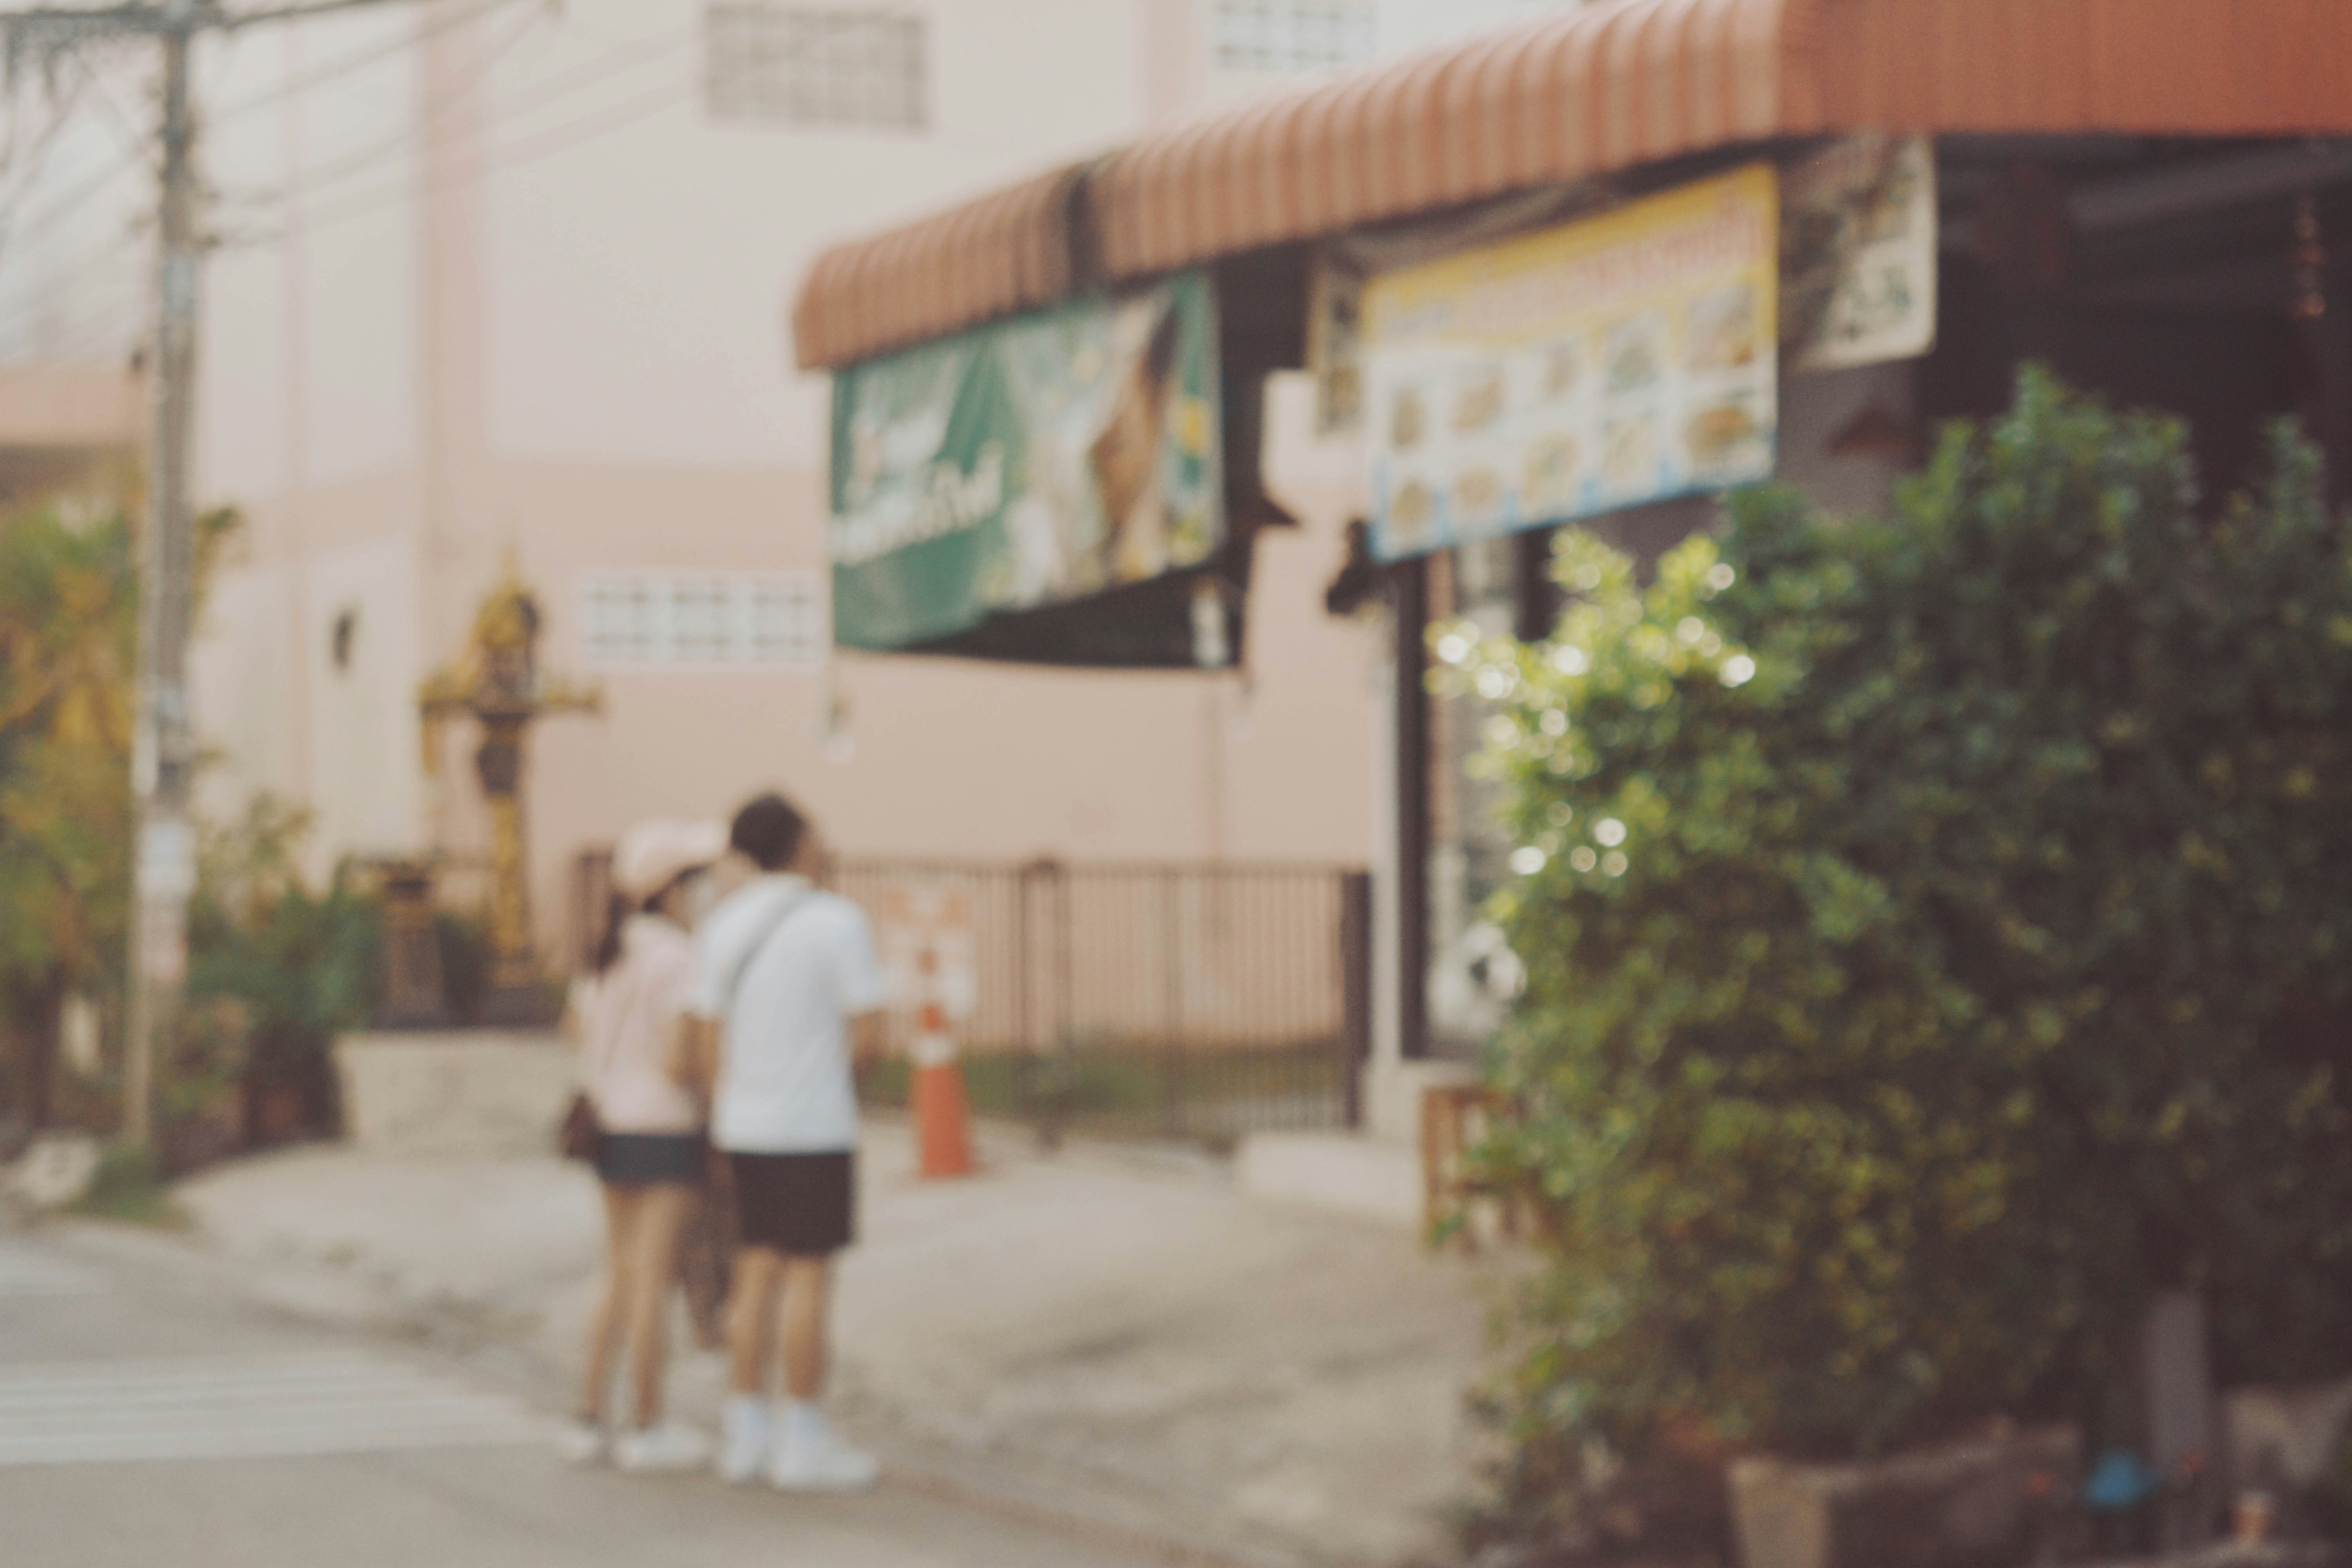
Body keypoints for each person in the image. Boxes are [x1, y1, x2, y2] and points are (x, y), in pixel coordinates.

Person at [682, 792, 888, 1491]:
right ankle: (803, 1436)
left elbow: (706, 1041)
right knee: (807, 1276)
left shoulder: (721, 927)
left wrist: (725, 1111)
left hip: (745, 1123)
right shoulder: (837, 922)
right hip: (814, 1124)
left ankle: (745, 1432)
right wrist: (832, 1075)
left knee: (754, 1272)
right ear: (797, 844)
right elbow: (869, 1036)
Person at [557, 818, 727, 1472]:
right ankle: (648, 1423)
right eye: (697, 881)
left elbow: (578, 1030)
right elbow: (684, 1057)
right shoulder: (677, 958)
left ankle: (589, 1415)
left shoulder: (609, 951)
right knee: (651, 1282)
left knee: (617, 1273)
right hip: (664, 1130)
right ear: (673, 890)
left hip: (609, 1127)